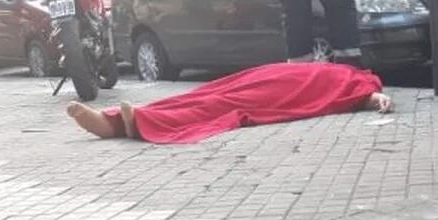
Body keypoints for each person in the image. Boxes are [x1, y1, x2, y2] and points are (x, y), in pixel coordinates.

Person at [66, 62, 393, 144]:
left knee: (219, 105)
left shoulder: (360, 82)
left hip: (277, 94)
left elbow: (366, 98)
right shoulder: (349, 72)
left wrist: (376, 98)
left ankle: (133, 123)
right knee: (201, 95)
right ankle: (112, 119)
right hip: (265, 77)